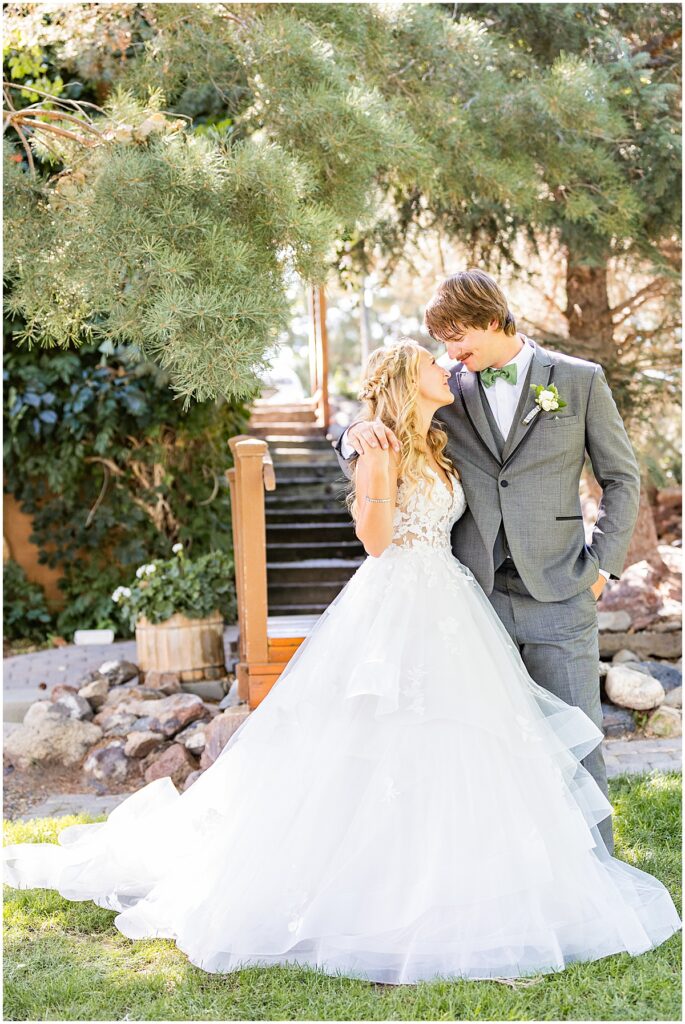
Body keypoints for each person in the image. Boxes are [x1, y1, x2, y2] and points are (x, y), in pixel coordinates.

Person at [3, 339, 680, 987]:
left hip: (451, 599)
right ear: (403, 384)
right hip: (399, 599)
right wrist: (369, 467)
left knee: (463, 740)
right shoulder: (380, 449)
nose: (444, 367)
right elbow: (378, 541)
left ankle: (460, 871)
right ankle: (379, 884)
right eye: (428, 364)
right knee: (381, 737)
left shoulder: (441, 435)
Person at [336, 269, 642, 855]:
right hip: (470, 598)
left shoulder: (577, 381)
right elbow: (386, 420)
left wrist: (604, 567)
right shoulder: (446, 388)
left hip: (561, 589)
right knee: (489, 745)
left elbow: (621, 478)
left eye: (457, 336)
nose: (450, 353)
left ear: (492, 316)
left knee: (577, 737)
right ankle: (511, 867)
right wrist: (354, 432)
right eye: (444, 342)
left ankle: (594, 869)